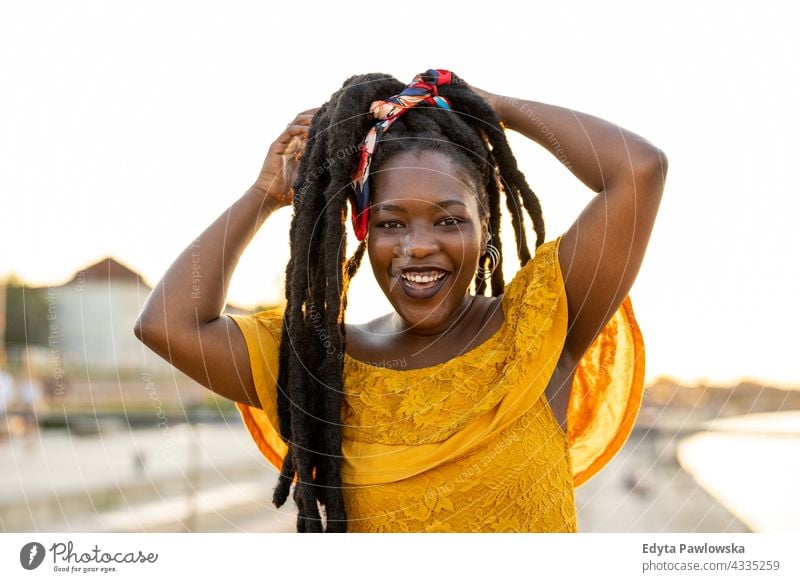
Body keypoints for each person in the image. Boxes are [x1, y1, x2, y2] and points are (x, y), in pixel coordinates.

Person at [134, 69, 667, 533]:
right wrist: (263, 195)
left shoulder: (541, 325)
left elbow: (638, 171)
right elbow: (167, 324)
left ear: (486, 228)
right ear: (364, 233)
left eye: (449, 219)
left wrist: (491, 108)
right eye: (391, 223)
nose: (418, 245)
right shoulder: (323, 364)